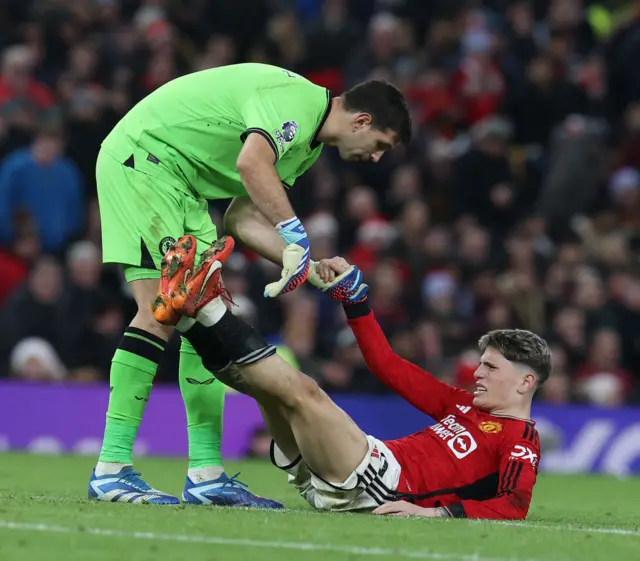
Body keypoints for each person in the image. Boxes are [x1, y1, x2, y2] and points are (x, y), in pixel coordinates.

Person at [90, 62, 411, 506]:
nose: (376, 158)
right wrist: (295, 232)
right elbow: (250, 161)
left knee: (203, 313)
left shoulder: (307, 147)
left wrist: (305, 263)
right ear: (361, 121)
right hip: (145, 162)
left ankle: (205, 473)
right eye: (380, 145)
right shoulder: (295, 101)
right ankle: (111, 468)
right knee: (161, 312)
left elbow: (240, 217)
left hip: (178, 183)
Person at [152, 234, 548, 519]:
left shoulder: (519, 439)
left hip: (380, 484)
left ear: (525, 383)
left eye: (491, 367)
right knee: (264, 389)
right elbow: (386, 366)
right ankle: (191, 317)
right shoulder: (462, 403)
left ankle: (209, 310)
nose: (477, 373)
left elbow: (514, 505)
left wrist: (436, 515)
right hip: (352, 470)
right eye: (480, 363)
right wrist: (356, 304)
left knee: (305, 390)